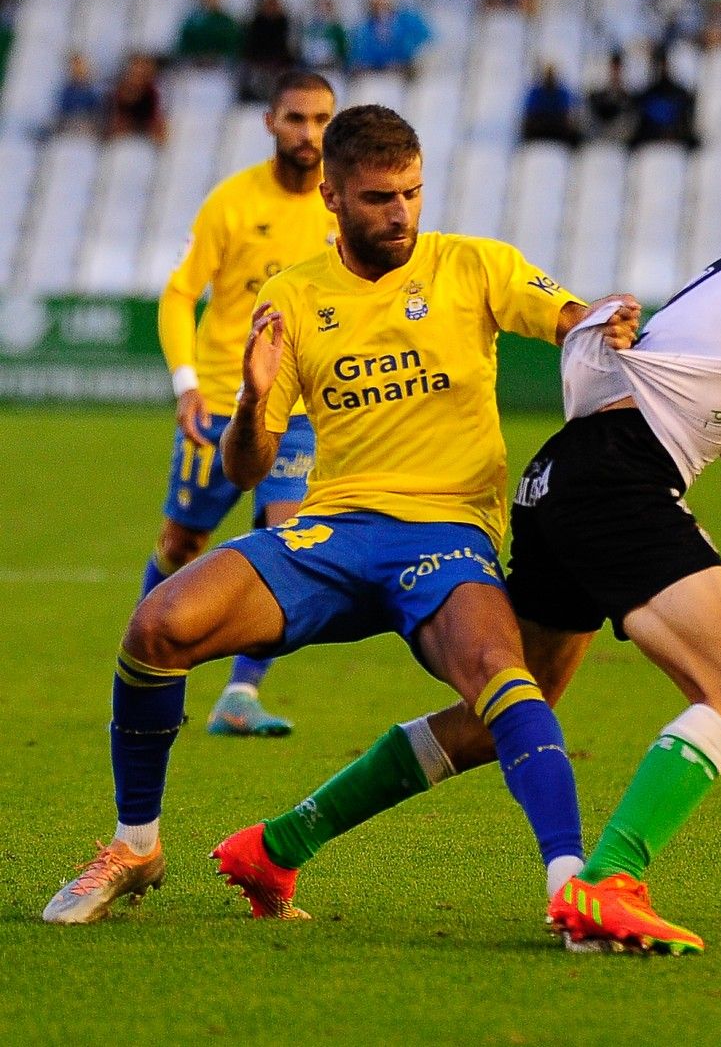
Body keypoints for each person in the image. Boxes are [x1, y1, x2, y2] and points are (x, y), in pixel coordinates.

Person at [207, 157, 721, 954]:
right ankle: (609, 881)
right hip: (618, 483)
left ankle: (277, 846)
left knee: (501, 719)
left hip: (563, 475)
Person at [41, 104, 667, 941]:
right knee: (157, 625)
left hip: (447, 537)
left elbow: (570, 320)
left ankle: (570, 886)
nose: (401, 212)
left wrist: (604, 319)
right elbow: (248, 470)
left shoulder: (473, 265)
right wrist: (255, 399)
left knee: (503, 677)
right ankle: (135, 846)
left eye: (411, 192)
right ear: (332, 196)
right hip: (333, 532)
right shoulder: (293, 294)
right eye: (379, 197)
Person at [133, 70, 339, 740]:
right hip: (220, 404)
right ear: (271, 123)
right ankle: (144, 669)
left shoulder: (339, 210)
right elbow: (178, 293)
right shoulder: (231, 202)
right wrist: (187, 383)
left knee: (292, 545)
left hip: (297, 412)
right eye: (297, 119)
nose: (310, 133)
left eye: (321, 120)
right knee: (181, 543)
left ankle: (241, 694)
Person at [348, 0, 434, 74]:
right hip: (375, 73)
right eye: (377, 4)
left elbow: (425, 42)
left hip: (402, 71)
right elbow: (360, 56)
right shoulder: (364, 28)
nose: (381, 8)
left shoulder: (407, 21)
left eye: (384, 3)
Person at [628, 45, 699, 149]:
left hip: (676, 139)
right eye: (660, 65)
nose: (662, 69)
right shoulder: (647, 96)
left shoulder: (680, 94)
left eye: (664, 65)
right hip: (651, 140)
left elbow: (684, 123)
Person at [106, 53, 167, 143]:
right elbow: (118, 111)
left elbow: (153, 113)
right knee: (116, 126)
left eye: (141, 69)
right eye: (136, 69)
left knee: (160, 128)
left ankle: (161, 155)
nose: (138, 71)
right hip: (127, 121)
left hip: (145, 121)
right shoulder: (122, 88)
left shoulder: (151, 90)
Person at [520, 62, 583, 147]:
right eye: (548, 75)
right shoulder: (535, 92)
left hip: (557, 128)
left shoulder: (562, 92)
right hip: (539, 129)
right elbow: (529, 114)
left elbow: (567, 114)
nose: (550, 77)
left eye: (552, 75)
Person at [55, 51, 104, 135]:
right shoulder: (67, 90)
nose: (77, 70)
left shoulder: (92, 90)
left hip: (87, 123)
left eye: (80, 67)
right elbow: (63, 110)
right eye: (74, 68)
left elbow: (96, 110)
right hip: (69, 122)